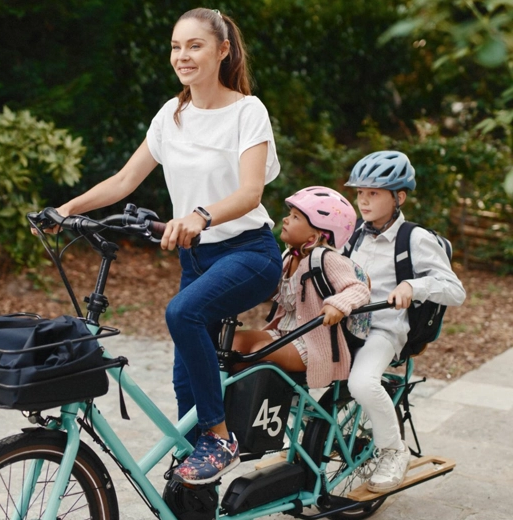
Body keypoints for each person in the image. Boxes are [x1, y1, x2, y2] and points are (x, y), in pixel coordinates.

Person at [43, 8, 283, 485]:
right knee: (183, 386)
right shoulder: (171, 115)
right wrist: (68, 209)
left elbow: (250, 192)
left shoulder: (247, 111)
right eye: (176, 46)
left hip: (248, 254)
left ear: (222, 50)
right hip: (196, 260)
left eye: (194, 45)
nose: (183, 56)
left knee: (182, 314)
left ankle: (221, 438)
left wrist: (200, 215)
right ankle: (196, 490)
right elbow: (126, 179)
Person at [343, 150, 466, 493]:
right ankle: (317, 429)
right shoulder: (353, 233)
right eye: (360, 193)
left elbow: (456, 291)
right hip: (345, 323)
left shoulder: (414, 238)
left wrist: (414, 285)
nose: (363, 201)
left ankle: (394, 451)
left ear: (399, 197)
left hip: (384, 328)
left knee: (363, 384)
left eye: (373, 193)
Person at [232, 186, 371, 388]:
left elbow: (358, 289)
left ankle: (255, 409)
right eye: (290, 214)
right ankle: (236, 407)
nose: (286, 219)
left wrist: (337, 305)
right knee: (234, 344)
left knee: (261, 352)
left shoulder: (327, 259)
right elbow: (269, 288)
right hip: (282, 333)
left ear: (315, 235)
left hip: (313, 344)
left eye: (296, 217)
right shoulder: (288, 257)